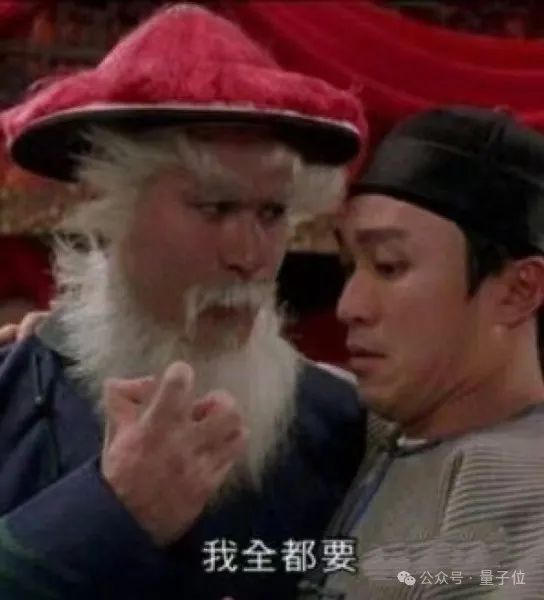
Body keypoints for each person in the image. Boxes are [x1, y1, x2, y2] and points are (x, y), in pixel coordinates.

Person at [0, 5, 367, 600]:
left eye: (272, 213)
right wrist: (104, 514)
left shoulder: (343, 426)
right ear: (104, 202)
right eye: (215, 208)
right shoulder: (15, 396)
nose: (249, 255)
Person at [298, 106, 544, 598]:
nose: (348, 306)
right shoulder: (391, 428)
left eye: (389, 266)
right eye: (350, 266)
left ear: (517, 291)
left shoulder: (519, 484)